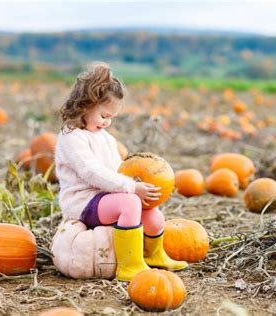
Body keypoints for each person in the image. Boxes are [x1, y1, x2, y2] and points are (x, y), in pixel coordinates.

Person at [55, 62, 187, 281]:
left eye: (112, 118)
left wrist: (141, 187)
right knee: (130, 203)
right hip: (83, 202)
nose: (107, 122)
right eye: (104, 116)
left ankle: (153, 255)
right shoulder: (72, 136)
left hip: (105, 199)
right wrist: (131, 188)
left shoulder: (105, 137)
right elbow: (91, 172)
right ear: (85, 105)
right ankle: (129, 266)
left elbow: (118, 171)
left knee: (153, 214)